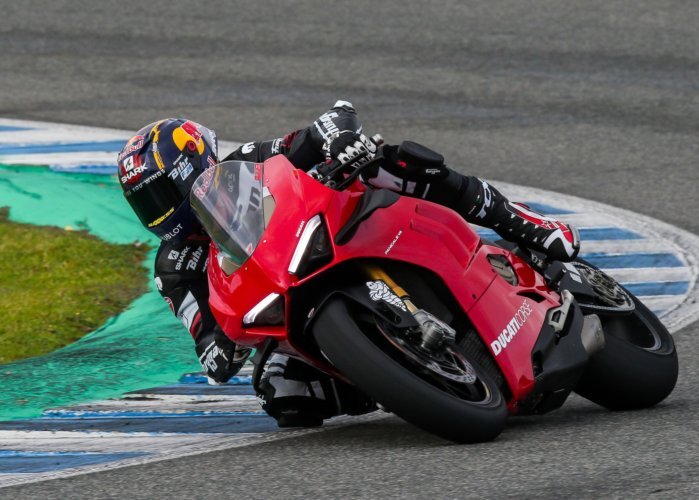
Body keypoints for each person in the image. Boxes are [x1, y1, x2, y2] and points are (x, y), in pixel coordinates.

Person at [117, 101, 580, 427]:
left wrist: (340, 145)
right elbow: (208, 349)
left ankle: (519, 221)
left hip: (340, 234)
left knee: (390, 163)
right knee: (285, 398)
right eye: (147, 204)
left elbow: (333, 118)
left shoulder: (252, 160)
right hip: (284, 306)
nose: (160, 213)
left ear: (196, 165)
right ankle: (397, 380)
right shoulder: (174, 268)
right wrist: (227, 344)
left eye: (163, 195)